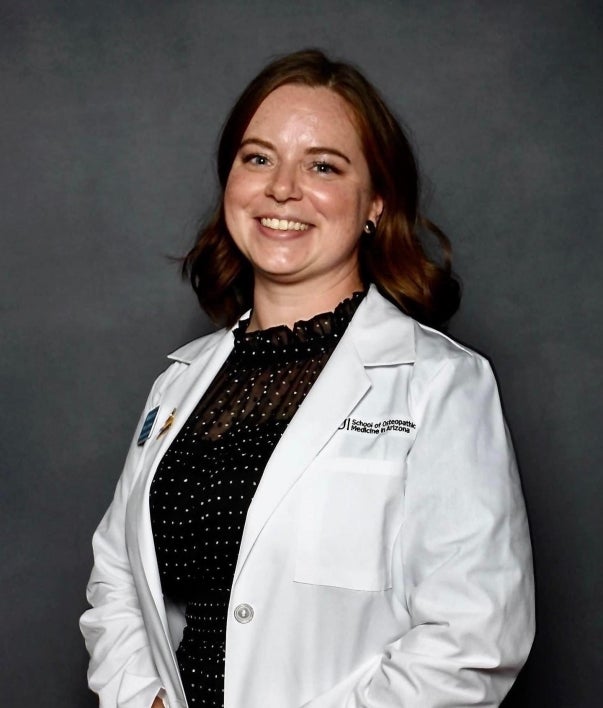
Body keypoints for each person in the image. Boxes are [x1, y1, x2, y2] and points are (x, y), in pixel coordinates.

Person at [80, 49, 534, 708]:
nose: (281, 189)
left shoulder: (440, 384)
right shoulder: (181, 385)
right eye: (258, 158)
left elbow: (472, 638)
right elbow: (118, 575)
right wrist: (141, 701)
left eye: (322, 165)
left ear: (374, 202)